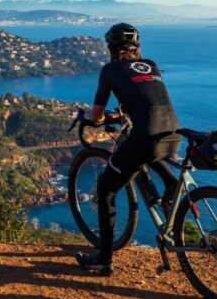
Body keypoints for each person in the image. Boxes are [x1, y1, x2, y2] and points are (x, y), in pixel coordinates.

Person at [75, 22, 183, 276]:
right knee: (148, 153)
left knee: (106, 188)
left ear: (111, 48)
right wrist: (120, 114)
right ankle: (171, 187)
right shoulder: (152, 65)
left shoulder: (110, 70)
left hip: (145, 134)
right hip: (173, 130)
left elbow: (96, 115)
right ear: (138, 47)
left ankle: (103, 259)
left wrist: (93, 120)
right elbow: (142, 96)